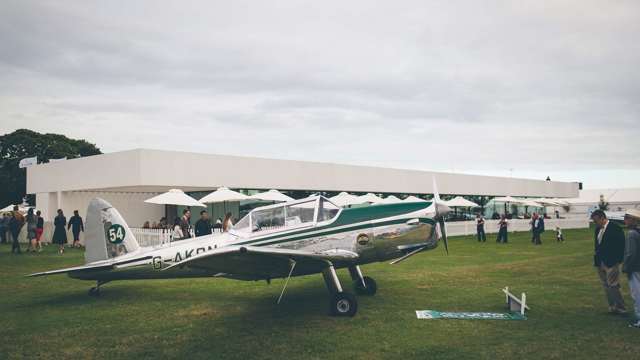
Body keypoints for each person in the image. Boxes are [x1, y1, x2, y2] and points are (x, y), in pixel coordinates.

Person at [591, 209, 626, 314]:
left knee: (613, 286)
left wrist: (618, 261)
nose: (594, 223)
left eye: (596, 221)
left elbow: (621, 246)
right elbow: (597, 245)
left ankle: (621, 308)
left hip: (612, 262)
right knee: (606, 286)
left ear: (602, 218)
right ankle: (612, 306)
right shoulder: (597, 229)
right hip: (600, 262)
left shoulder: (615, 228)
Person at [623, 209, 640, 328]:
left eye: (626, 218)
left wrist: (626, 267)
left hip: (635, 268)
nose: (625, 220)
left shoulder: (631, 234)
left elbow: (630, 254)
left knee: (637, 294)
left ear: (632, 219)